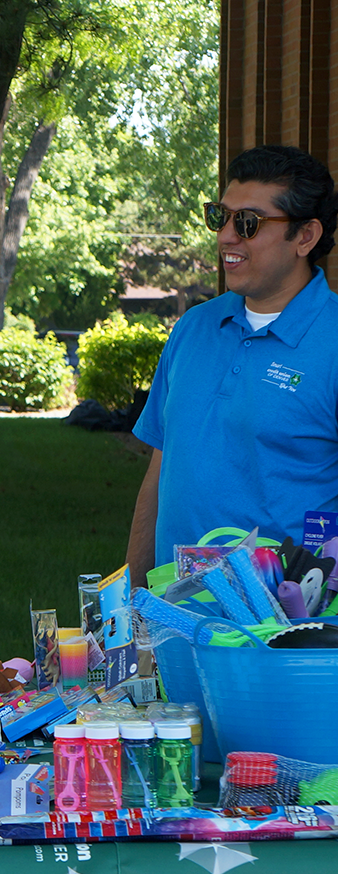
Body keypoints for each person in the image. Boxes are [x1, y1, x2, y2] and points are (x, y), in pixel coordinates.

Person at [127, 145, 338, 585]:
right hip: (175, 623)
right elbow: (159, 474)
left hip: (283, 636)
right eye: (220, 217)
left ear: (306, 236)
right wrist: (133, 600)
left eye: (248, 223)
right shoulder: (193, 327)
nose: (226, 236)